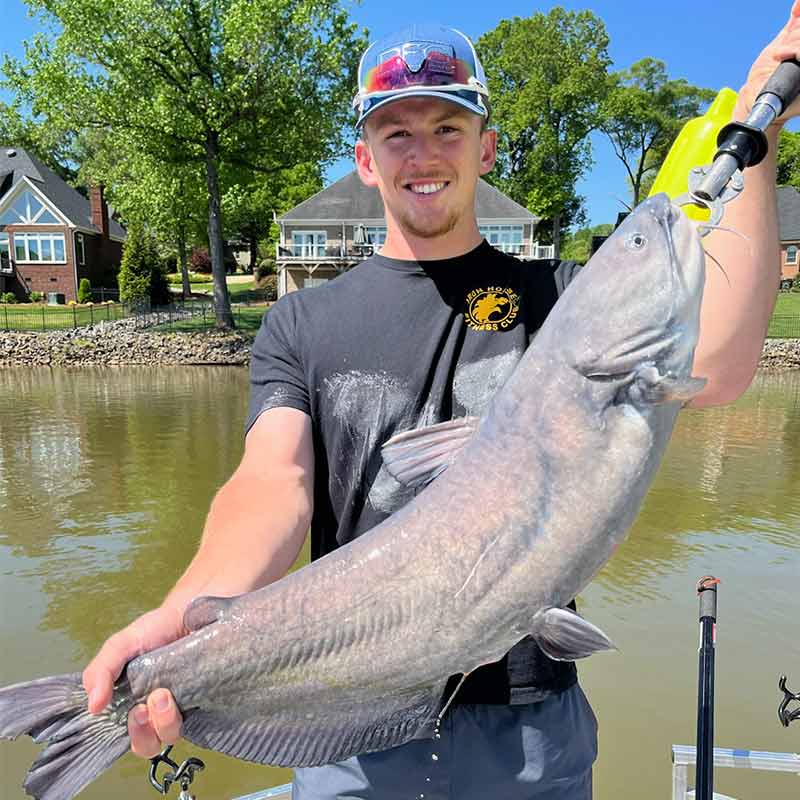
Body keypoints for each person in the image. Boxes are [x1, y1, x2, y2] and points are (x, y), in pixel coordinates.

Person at [83, 10, 800, 799]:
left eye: (448, 128)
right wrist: (181, 619)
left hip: (531, 734)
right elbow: (273, 484)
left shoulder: (559, 300)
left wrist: (753, 134)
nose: (424, 154)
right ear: (364, 158)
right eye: (396, 134)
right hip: (348, 724)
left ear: (486, 146)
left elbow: (723, 367)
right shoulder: (300, 321)